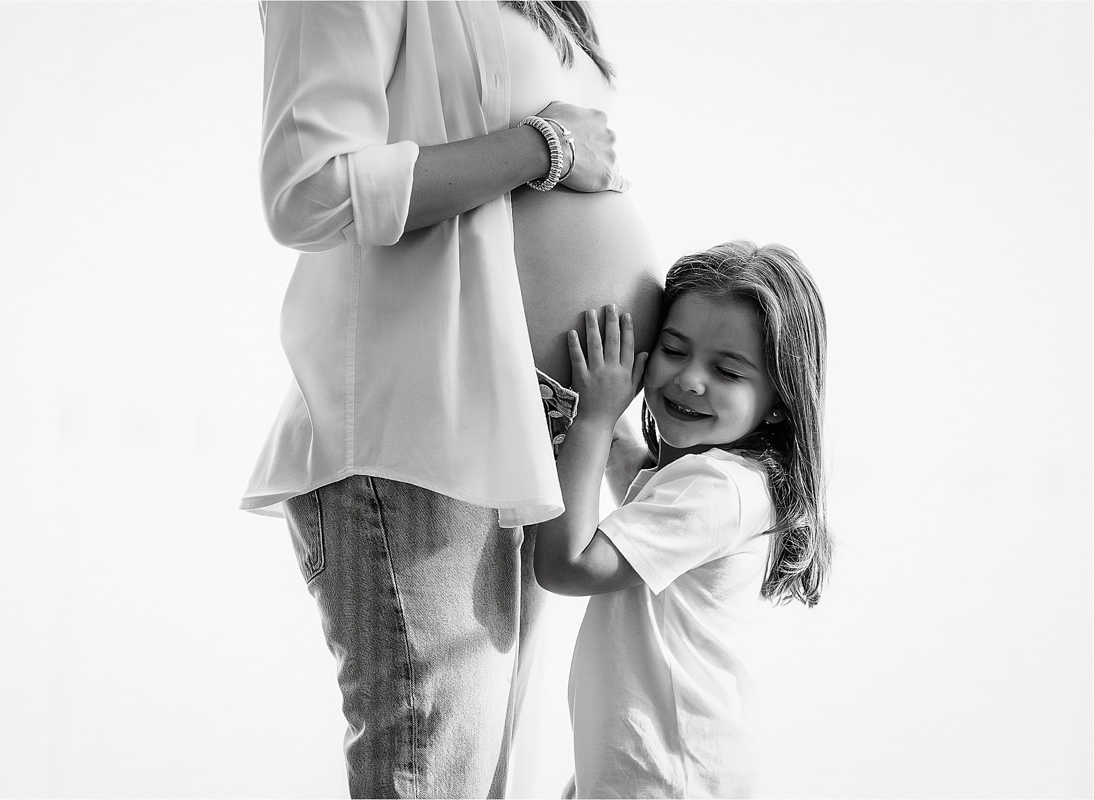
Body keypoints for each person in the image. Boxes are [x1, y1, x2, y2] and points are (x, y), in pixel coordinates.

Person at [242, 2, 662, 797]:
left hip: (528, 438)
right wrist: (544, 145)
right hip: (423, 425)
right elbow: (308, 191)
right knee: (432, 777)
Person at [533, 241, 833, 798]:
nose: (691, 379)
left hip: (669, 777)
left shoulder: (720, 490)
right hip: (658, 770)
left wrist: (594, 416)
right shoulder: (711, 481)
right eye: (673, 349)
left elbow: (568, 565)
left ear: (778, 400)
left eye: (727, 370)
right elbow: (629, 468)